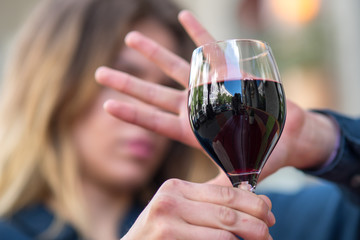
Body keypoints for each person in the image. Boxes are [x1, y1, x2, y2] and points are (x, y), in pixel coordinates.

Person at [0, 0, 275, 240]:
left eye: (167, 89)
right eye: (126, 81)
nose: (148, 112)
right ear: (55, 89)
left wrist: (312, 138)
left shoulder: (228, 221)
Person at [95, 10, 360, 240]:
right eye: (129, 74)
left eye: (168, 86)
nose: (150, 106)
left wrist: (316, 139)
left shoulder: (258, 217)